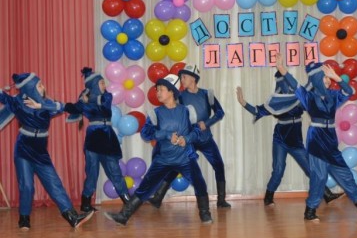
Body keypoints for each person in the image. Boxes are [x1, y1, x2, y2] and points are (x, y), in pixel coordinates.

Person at [275, 54, 357, 221]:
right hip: (316, 138)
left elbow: (349, 92)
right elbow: (294, 83)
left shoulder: (333, 95)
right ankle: (310, 211)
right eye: (324, 77)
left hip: (330, 139)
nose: (328, 80)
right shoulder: (308, 96)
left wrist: (337, 78)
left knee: (345, 174)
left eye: (328, 77)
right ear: (316, 79)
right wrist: (281, 68)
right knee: (319, 176)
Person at [104, 74, 213, 225]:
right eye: (157, 90)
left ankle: (205, 214)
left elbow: (197, 131)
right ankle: (123, 216)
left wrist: (186, 139)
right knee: (145, 188)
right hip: (163, 160)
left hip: (185, 158)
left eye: (161, 89)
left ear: (172, 92)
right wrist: (166, 135)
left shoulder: (187, 111)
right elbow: (146, 134)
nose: (158, 93)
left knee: (200, 183)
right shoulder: (155, 113)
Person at [0, 72, 94, 229]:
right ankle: (24, 219)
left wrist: (41, 105)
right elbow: (3, 97)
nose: (43, 87)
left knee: (54, 182)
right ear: (30, 88)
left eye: (42, 84)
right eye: (39, 85)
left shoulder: (47, 103)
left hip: (40, 150)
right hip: (23, 148)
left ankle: (72, 217)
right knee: (27, 186)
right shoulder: (17, 102)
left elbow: (63, 107)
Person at [236, 71, 343, 206]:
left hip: (295, 140)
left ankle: (327, 194)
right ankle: (268, 197)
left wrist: (322, 83)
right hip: (280, 139)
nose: (285, 83)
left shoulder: (298, 97)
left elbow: (313, 97)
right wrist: (243, 102)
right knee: (278, 169)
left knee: (310, 168)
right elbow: (257, 111)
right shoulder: (276, 102)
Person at [148, 65, 231, 209]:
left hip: (205, 139)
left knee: (219, 165)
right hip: (188, 140)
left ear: (193, 78)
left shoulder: (207, 94)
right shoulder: (179, 96)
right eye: (181, 77)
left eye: (184, 77)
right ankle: (158, 197)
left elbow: (220, 112)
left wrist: (207, 123)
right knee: (175, 167)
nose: (181, 80)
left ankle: (221, 200)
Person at [64, 67, 130, 212]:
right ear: (94, 85)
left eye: (104, 82)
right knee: (92, 172)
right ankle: (85, 203)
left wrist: (88, 99)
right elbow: (74, 108)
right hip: (93, 138)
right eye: (101, 83)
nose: (104, 85)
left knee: (114, 171)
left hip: (107, 137)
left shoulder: (107, 96)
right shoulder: (84, 100)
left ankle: (128, 202)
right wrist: (60, 105)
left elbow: (104, 107)